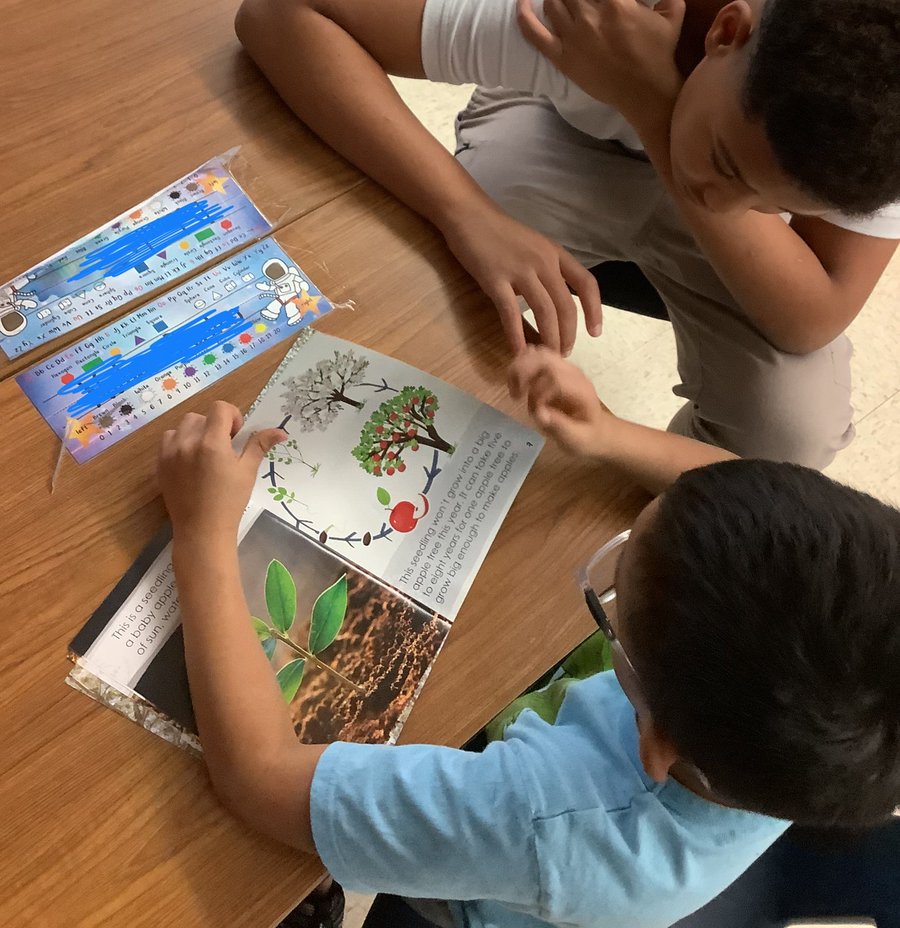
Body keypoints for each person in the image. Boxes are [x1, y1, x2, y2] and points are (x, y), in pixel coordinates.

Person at [158, 348, 900, 928]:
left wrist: (201, 533)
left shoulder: (545, 821)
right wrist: (609, 433)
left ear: (658, 743)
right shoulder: (850, 659)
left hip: (486, 888)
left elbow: (256, 775)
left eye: (614, 599)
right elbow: (745, 489)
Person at [234, 0, 900, 468]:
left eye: (779, 206)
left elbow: (813, 316)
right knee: (420, 262)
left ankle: (616, 524)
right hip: (563, 132)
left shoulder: (879, 126)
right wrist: (467, 214)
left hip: (662, 115)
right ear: (725, 31)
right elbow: (285, 14)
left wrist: (653, 104)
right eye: (727, 165)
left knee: (791, 436)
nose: (718, 207)